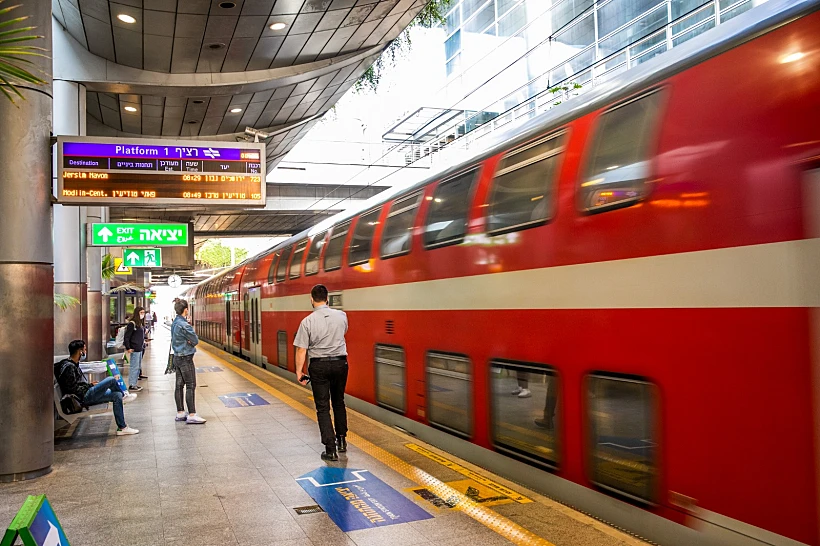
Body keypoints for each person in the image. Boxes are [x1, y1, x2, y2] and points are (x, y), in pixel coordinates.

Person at [294, 284, 349, 462]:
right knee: (339, 401)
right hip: (341, 363)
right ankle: (342, 441)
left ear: (312, 299)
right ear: (328, 298)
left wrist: (299, 371)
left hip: (319, 366)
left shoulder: (307, 322)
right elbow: (343, 332)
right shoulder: (342, 316)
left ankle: (330, 449)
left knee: (323, 407)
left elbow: (301, 350)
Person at [55, 340, 138, 435]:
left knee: (116, 395)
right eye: (84, 350)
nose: (85, 352)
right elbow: (72, 389)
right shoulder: (69, 367)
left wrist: (90, 385)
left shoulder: (71, 363)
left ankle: (122, 428)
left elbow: (75, 385)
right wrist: (90, 386)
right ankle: (125, 396)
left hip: (84, 394)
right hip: (83, 398)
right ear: (80, 352)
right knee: (111, 379)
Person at [171, 299, 205, 424]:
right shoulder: (184, 325)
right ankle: (192, 414)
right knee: (190, 385)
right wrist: (190, 341)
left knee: (179, 385)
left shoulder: (175, 323)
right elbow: (195, 340)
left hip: (177, 357)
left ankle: (180, 413)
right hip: (186, 358)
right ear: (186, 310)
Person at [124, 306, 147, 392]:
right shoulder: (132, 324)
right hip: (134, 348)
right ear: (137, 313)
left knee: (137, 367)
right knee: (134, 367)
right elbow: (127, 337)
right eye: (141, 313)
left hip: (140, 348)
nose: (143, 314)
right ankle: (132, 385)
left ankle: (134, 383)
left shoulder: (140, 324)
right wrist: (128, 347)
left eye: (143, 313)